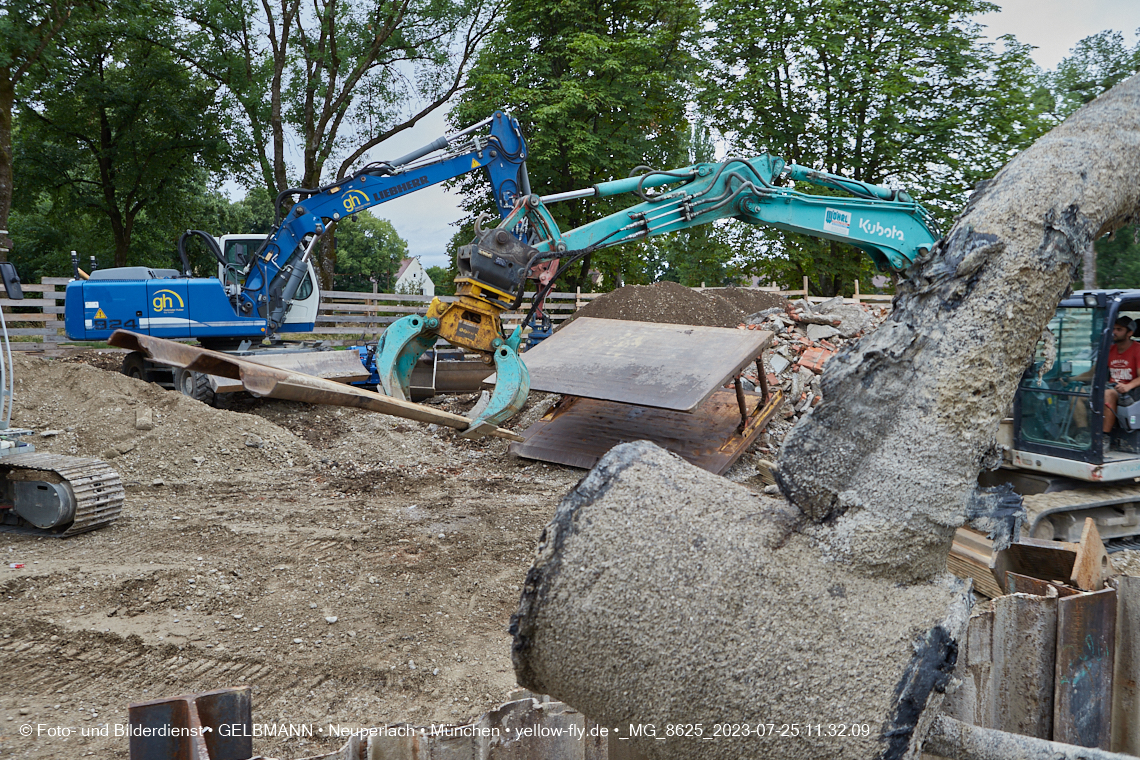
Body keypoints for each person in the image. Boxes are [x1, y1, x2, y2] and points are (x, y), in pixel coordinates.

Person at [1104, 316, 1140, 443]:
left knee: (1108, 394)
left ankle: (1104, 437)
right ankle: (1083, 433)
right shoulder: (1109, 350)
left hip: (1130, 392)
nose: (1114, 332)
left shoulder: (1138, 349)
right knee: (1077, 393)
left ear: (1129, 333)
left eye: (1119, 329)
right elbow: (1093, 372)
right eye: (1113, 329)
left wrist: (1128, 386)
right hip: (1111, 386)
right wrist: (1070, 378)